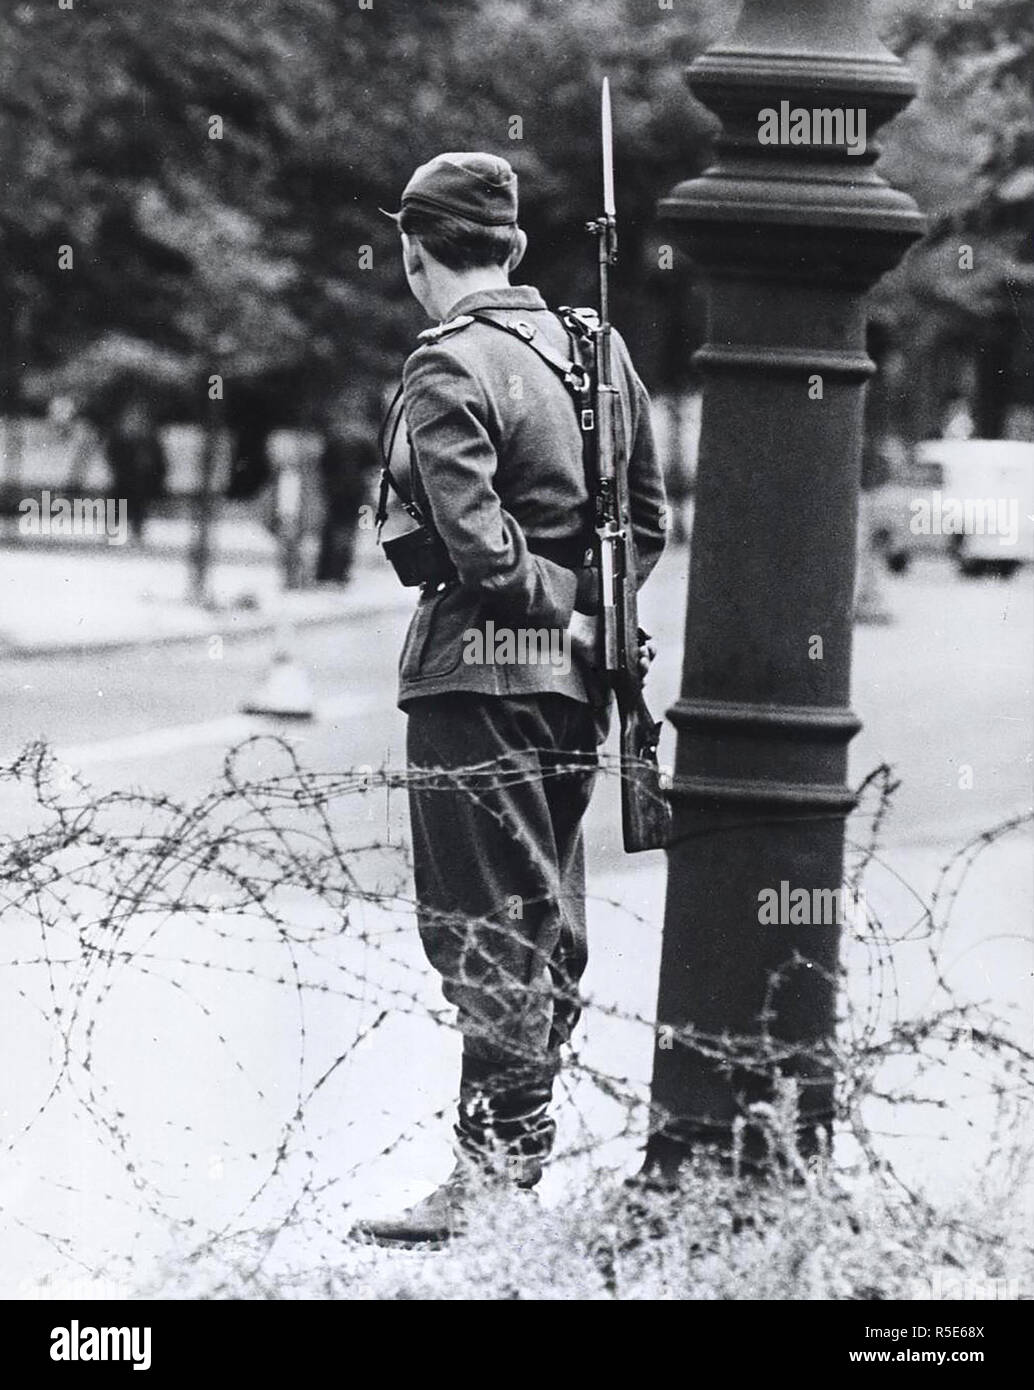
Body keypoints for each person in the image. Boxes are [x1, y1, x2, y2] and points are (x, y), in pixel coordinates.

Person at [353, 152, 666, 1245]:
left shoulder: (446, 364)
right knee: (541, 917)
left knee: (479, 926)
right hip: (572, 693)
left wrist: (552, 607)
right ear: (515, 250)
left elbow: (474, 545)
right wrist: (587, 618)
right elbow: (649, 520)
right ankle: (511, 1155)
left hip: (475, 683)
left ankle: (490, 1175)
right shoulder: (594, 347)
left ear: (411, 250)